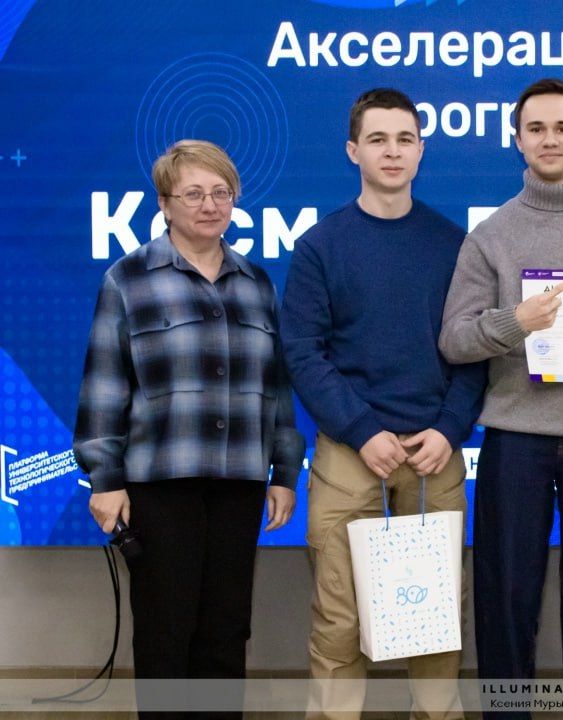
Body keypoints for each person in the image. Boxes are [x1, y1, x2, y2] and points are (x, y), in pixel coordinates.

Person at [73, 139, 305, 719]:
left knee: (226, 629)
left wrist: (284, 470)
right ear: (164, 203)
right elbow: (105, 385)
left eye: (221, 193)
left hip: (239, 483)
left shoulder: (256, 282)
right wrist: (105, 479)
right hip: (159, 484)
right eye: (194, 194)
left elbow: (275, 386)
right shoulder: (128, 279)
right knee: (164, 630)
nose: (210, 205)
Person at [439, 78, 563, 719]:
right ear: (517, 140)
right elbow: (455, 339)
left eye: (562, 128)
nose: (549, 139)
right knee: (506, 599)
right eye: (536, 129)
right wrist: (515, 323)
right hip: (517, 437)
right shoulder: (490, 234)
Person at [279, 87, 485, 720]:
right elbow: (303, 352)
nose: (392, 151)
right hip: (350, 454)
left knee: (436, 616)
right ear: (353, 151)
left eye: (404, 139)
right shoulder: (321, 246)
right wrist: (362, 429)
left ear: (421, 151)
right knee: (339, 616)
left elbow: (474, 350)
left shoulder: (454, 245)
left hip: (433, 456)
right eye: (377, 139)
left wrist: (449, 428)